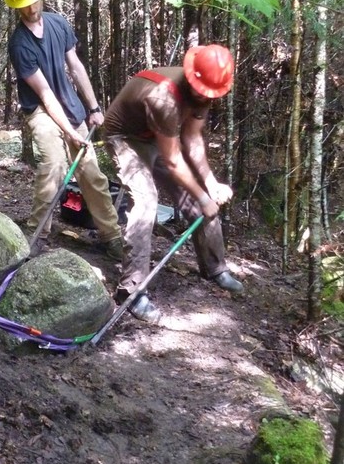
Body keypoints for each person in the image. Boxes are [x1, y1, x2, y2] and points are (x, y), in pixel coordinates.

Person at [102, 43, 243, 324]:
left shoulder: (204, 91)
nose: (207, 98)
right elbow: (175, 161)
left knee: (199, 196)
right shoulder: (164, 98)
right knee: (146, 200)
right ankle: (132, 290)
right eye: (203, 93)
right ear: (192, 79)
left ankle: (215, 267)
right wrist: (205, 199)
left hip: (155, 135)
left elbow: (192, 139)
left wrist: (210, 185)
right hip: (125, 137)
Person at [4, 0, 122, 256]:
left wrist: (93, 107)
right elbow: (44, 94)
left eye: (33, 0)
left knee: (91, 173)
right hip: (41, 111)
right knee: (54, 164)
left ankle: (112, 236)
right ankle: (36, 233)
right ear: (16, 5)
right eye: (24, 3)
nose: (31, 8)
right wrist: (70, 133)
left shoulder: (58, 24)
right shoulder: (19, 44)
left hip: (70, 106)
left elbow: (76, 67)